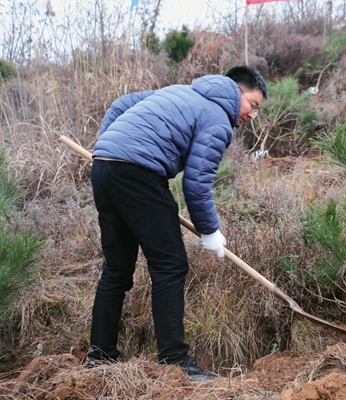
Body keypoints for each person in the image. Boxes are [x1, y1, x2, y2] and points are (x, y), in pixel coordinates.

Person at [87, 66, 268, 381]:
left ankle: (99, 358)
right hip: (138, 172)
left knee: (116, 269)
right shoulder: (217, 119)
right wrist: (210, 231)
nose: (252, 115)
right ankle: (175, 361)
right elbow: (197, 183)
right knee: (170, 264)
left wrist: (110, 146)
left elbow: (120, 104)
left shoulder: (178, 91)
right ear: (237, 91)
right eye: (252, 105)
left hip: (104, 167)